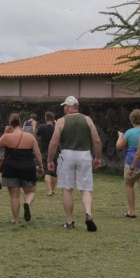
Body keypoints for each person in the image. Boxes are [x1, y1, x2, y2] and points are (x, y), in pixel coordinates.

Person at [47, 96, 102, 232]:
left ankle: (69, 221)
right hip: (84, 154)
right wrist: (98, 158)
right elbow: (97, 141)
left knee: (67, 188)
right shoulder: (87, 119)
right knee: (86, 188)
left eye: (64, 106)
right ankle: (88, 213)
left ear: (67, 107)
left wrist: (49, 160)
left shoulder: (61, 121)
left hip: (67, 155)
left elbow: (54, 142)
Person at [0, 113, 44, 223]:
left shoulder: (7, 137)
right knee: (30, 192)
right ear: (21, 123)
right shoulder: (30, 137)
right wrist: (41, 166)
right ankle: (27, 203)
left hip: (10, 168)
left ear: (10, 124)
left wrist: (4, 133)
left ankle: (16, 219)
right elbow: (37, 154)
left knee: (14, 196)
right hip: (28, 167)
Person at [116, 109, 140, 220]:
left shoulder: (129, 132)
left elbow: (119, 146)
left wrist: (120, 136)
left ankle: (132, 210)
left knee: (129, 185)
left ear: (132, 120)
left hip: (131, 162)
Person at [35, 111, 57, 196]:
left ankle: (49, 190)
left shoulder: (41, 127)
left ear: (45, 118)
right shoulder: (56, 127)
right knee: (54, 171)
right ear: (53, 118)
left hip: (44, 151)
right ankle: (53, 189)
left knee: (47, 171)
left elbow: (36, 136)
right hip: (55, 150)